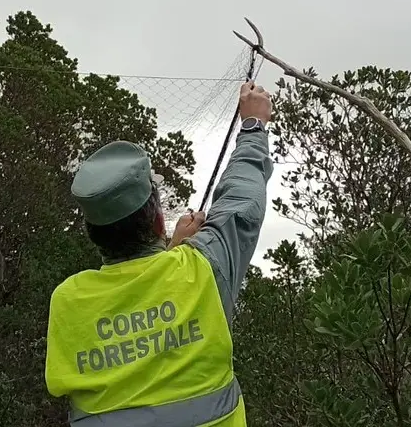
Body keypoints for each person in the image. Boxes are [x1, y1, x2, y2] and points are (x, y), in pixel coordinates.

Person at [45, 81, 274, 426]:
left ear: (94, 234)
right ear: (157, 222)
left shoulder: (67, 301)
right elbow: (243, 199)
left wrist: (172, 250)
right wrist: (253, 126)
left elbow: (138, 306)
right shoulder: (202, 270)